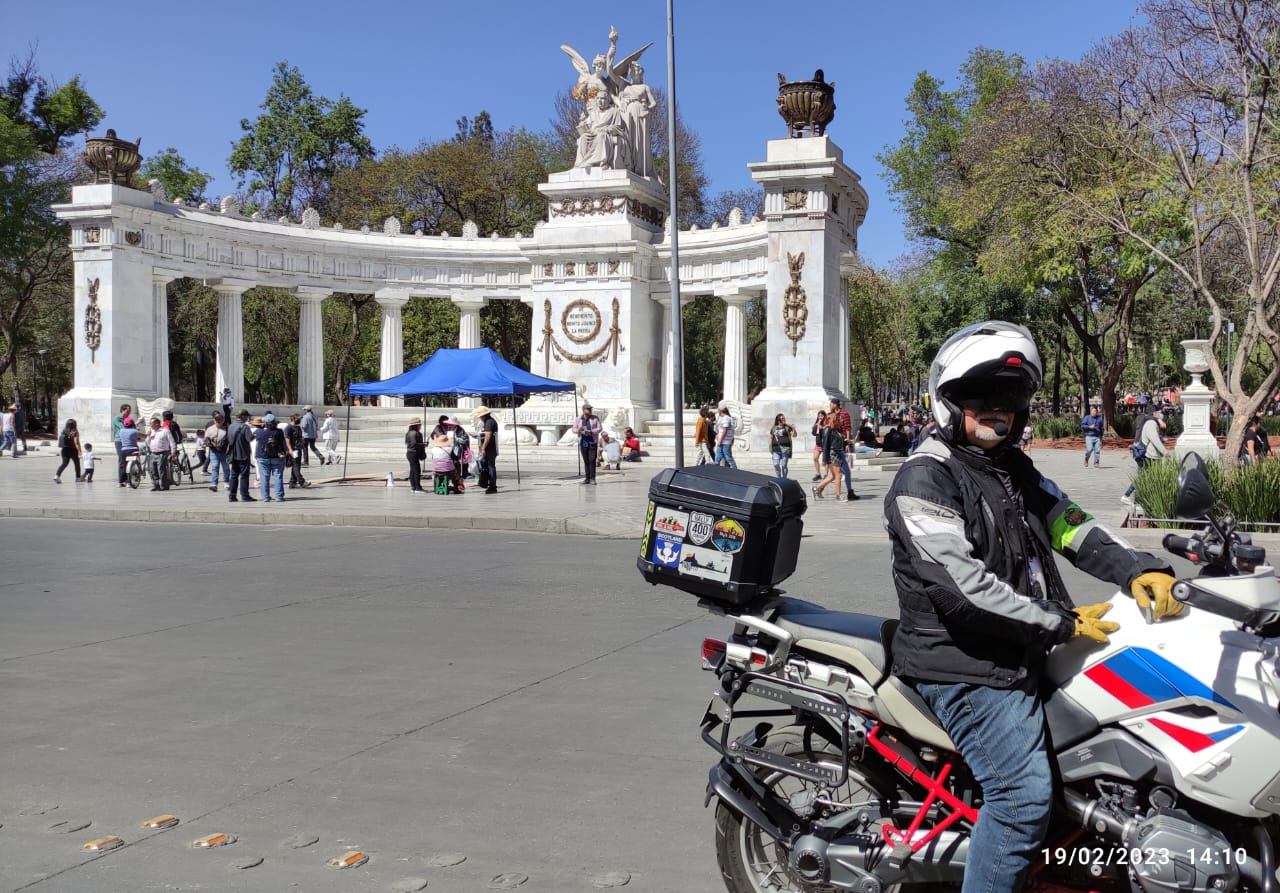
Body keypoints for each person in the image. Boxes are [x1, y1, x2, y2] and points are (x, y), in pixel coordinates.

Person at [884, 320, 1182, 893]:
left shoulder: (1011, 468)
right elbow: (961, 587)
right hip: (964, 665)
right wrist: (1059, 622)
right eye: (983, 397)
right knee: (1022, 799)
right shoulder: (925, 477)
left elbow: (1071, 526)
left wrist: (1139, 569)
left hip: (1017, 646)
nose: (999, 409)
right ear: (949, 402)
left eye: (1012, 398)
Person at [1123, 410, 1167, 503]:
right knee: (1143, 477)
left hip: (1147, 454)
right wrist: (1165, 452)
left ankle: (1136, 498)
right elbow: (1154, 439)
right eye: (1158, 412)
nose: (1160, 414)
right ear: (1154, 413)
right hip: (1148, 455)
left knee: (1144, 477)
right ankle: (1128, 496)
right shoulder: (1151, 423)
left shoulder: (1152, 422)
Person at [255, 413, 287, 502]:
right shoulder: (279, 431)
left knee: (264, 477)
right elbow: (283, 444)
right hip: (277, 457)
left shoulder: (259, 431)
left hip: (262, 457)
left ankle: (265, 497)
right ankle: (279, 496)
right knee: (278, 476)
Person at [812, 413, 844, 499]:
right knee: (839, 474)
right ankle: (838, 495)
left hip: (836, 453)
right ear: (834, 420)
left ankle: (816, 488)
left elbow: (837, 442)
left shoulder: (836, 430)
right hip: (832, 454)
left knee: (833, 476)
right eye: (839, 419)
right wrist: (824, 460)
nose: (841, 420)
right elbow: (825, 445)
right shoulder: (828, 430)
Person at [226, 410, 256, 502]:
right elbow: (249, 438)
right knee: (244, 476)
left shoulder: (230, 426)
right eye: (247, 416)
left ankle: (232, 495)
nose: (247, 418)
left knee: (234, 475)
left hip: (233, 455)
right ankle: (244, 495)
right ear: (242, 416)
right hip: (243, 454)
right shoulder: (245, 427)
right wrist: (254, 434)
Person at [574, 403, 602, 484]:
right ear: (583, 410)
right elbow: (573, 429)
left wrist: (592, 431)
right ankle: (587, 478)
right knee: (586, 460)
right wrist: (578, 430)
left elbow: (600, 428)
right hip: (583, 442)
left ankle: (592, 478)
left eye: (590, 409)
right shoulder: (578, 419)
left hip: (592, 441)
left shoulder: (595, 418)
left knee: (592, 460)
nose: (590, 410)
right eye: (588, 409)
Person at [144, 416, 174, 491]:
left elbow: (172, 442)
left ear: (157, 423)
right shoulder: (151, 431)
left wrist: (173, 452)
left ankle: (164, 486)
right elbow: (147, 443)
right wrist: (148, 436)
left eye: (151, 423)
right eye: (150, 423)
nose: (150, 425)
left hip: (162, 453)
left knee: (161, 469)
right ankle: (156, 485)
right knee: (152, 470)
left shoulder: (165, 431)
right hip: (153, 453)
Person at [475, 405, 499, 494]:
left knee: (490, 467)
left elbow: (488, 436)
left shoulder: (489, 422)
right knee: (487, 466)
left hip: (490, 448)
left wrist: (483, 448)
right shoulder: (488, 421)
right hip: (489, 448)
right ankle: (488, 483)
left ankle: (492, 486)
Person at [205, 411, 228, 492]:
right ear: (214, 420)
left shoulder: (227, 429)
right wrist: (208, 442)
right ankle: (214, 484)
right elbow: (206, 438)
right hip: (214, 451)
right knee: (215, 467)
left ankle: (226, 482)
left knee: (226, 468)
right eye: (216, 419)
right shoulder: (209, 429)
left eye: (220, 419)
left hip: (224, 452)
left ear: (223, 420)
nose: (218, 421)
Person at [53, 418, 82, 483]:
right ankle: (78, 477)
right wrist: (79, 451)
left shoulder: (64, 431)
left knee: (64, 463)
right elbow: (76, 442)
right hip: (72, 450)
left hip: (64, 450)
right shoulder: (75, 432)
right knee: (77, 464)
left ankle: (57, 476)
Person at [769, 413, 797, 479]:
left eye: (784, 418)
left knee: (784, 465)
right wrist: (770, 447)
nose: (784, 419)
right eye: (782, 418)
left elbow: (794, 435)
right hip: (776, 449)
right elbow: (770, 437)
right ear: (778, 420)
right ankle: (779, 477)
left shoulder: (787, 427)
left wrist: (794, 429)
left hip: (785, 449)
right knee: (776, 465)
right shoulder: (774, 428)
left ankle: (784, 478)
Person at [285, 414, 309, 489]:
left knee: (297, 466)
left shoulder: (298, 427)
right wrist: (290, 450)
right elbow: (287, 439)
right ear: (293, 419)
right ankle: (301, 481)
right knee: (296, 466)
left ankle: (292, 482)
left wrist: (303, 447)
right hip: (293, 449)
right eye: (298, 419)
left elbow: (300, 438)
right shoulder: (288, 428)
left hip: (298, 449)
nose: (300, 420)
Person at [405, 417, 427, 493]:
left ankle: (413, 486)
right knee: (417, 470)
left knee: (412, 470)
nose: (420, 426)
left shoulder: (409, 433)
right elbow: (414, 444)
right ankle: (417, 487)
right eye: (419, 425)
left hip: (411, 453)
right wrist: (423, 445)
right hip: (413, 453)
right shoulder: (414, 433)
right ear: (416, 425)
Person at [714, 404, 737, 469]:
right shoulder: (725, 418)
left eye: (718, 411)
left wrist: (720, 440)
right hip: (723, 441)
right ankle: (715, 468)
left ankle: (735, 469)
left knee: (727, 456)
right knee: (718, 456)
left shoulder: (726, 418)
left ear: (721, 411)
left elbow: (725, 430)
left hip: (725, 441)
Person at [112, 403, 132, 482]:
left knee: (128, 459)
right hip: (119, 441)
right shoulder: (117, 419)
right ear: (122, 410)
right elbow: (123, 427)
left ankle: (127, 478)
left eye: (129, 411)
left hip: (127, 440)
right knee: (121, 459)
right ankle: (121, 480)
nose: (128, 413)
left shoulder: (129, 419)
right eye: (127, 411)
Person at [118, 418, 139, 486]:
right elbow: (143, 436)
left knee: (122, 465)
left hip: (124, 450)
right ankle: (133, 478)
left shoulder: (121, 431)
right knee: (136, 463)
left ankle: (121, 482)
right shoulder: (135, 431)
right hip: (133, 450)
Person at [810, 409, 828, 481]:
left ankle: (826, 474)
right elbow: (814, 433)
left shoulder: (826, 423)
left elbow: (828, 431)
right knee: (815, 458)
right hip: (818, 444)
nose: (820, 417)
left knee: (825, 461)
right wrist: (815, 427)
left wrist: (822, 428)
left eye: (821, 415)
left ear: (824, 416)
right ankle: (818, 474)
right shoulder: (817, 422)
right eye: (819, 415)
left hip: (825, 444)